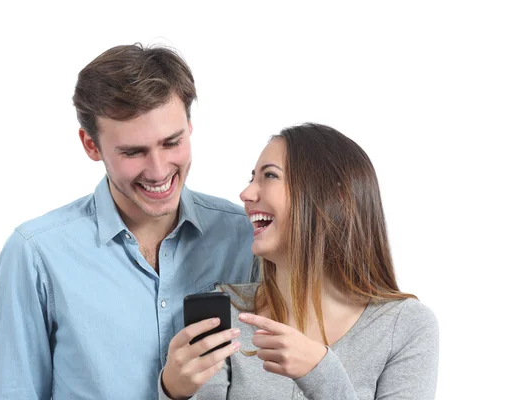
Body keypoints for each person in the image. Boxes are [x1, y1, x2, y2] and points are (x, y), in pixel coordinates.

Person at [0, 43, 256, 399]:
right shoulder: (36, 254)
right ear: (91, 146)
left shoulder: (245, 236)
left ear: (190, 128)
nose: (159, 170)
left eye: (171, 142)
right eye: (133, 152)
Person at [159, 123, 439, 399]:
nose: (246, 195)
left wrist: (320, 372)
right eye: (252, 177)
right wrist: (172, 392)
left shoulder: (406, 326)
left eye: (269, 176)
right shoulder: (225, 312)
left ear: (335, 197)